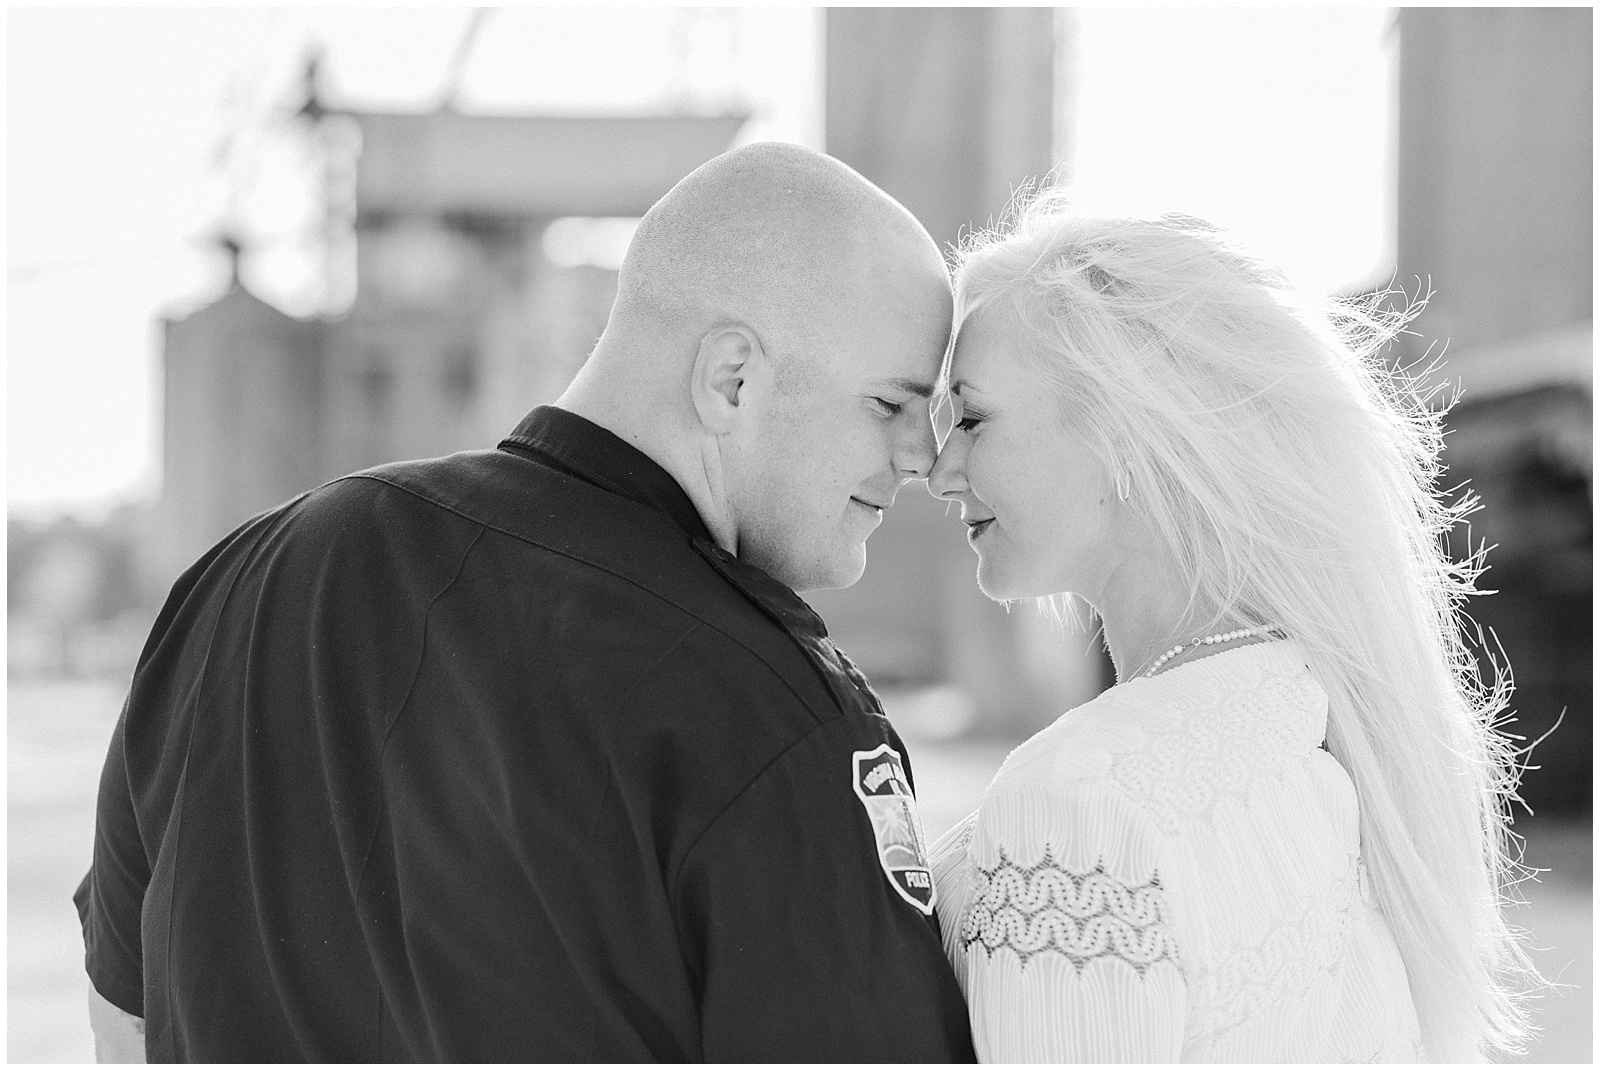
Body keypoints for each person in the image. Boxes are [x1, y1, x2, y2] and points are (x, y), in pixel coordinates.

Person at [75, 142, 977, 1062]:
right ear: (731, 378)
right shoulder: (761, 711)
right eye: (892, 404)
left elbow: (123, 1024)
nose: (926, 457)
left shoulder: (235, 586)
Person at [925, 193, 1534, 1062]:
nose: (941, 470)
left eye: (974, 418)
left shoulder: (1078, 802)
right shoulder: (1321, 726)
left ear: (1124, 428)